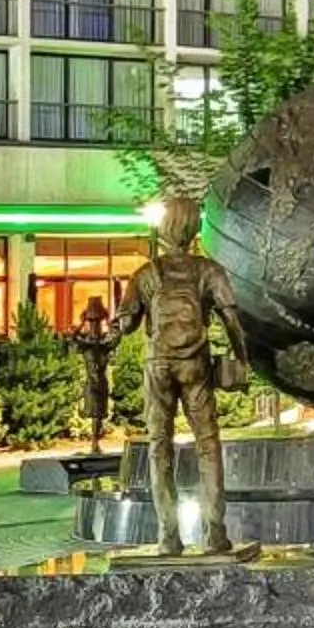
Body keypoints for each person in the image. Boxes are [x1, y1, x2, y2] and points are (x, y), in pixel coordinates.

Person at [109, 190, 251, 555]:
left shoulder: (147, 273)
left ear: (165, 227)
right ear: (193, 229)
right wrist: (241, 358)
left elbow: (126, 326)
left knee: (160, 447)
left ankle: (168, 537)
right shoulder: (208, 270)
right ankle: (215, 533)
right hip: (195, 364)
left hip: (158, 365)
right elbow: (232, 319)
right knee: (208, 444)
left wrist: (122, 312)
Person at [70, 297, 117, 455]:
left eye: (97, 323)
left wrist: (108, 320)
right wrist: (82, 322)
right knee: (95, 414)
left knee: (100, 415)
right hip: (92, 383)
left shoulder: (104, 344)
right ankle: (94, 443)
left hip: (101, 382)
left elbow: (117, 336)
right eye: (92, 324)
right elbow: (73, 337)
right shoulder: (86, 345)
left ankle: (96, 442)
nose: (95, 327)